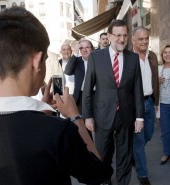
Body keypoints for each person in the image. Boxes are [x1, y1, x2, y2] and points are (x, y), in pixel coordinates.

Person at [0, 7, 113, 185]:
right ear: (37, 61)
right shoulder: (58, 132)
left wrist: (39, 115)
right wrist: (76, 117)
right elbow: (100, 174)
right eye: (46, 59)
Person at [82, 19, 144, 185]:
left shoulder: (133, 58)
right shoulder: (96, 57)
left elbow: (137, 88)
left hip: (126, 115)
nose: (121, 39)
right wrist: (87, 116)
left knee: (125, 156)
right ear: (109, 36)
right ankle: (104, 181)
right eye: (117, 35)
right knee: (102, 154)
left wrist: (140, 117)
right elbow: (87, 89)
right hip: (102, 115)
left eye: (124, 35)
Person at [131, 26, 159, 185]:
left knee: (148, 134)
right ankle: (142, 174)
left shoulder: (152, 56)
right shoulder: (127, 57)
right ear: (133, 40)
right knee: (139, 140)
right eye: (140, 39)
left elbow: (155, 80)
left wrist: (156, 102)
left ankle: (134, 152)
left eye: (146, 38)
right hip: (135, 104)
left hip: (149, 101)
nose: (144, 41)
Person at [64, 39, 94, 112]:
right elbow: (67, 71)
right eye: (82, 48)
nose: (84, 50)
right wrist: (75, 53)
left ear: (92, 49)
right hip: (80, 96)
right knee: (80, 121)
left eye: (87, 47)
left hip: (94, 95)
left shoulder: (98, 61)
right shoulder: (77, 60)